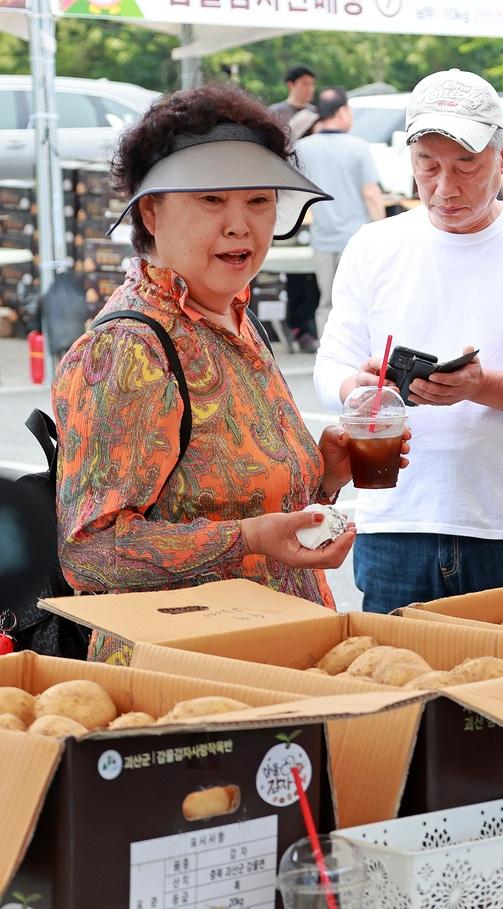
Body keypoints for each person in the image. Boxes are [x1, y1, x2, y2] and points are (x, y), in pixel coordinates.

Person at [51, 84, 408, 621]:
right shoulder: (129, 348)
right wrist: (250, 539)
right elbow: (91, 552)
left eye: (259, 200)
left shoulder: (239, 319)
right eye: (212, 199)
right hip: (187, 671)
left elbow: (249, 507)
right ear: (150, 213)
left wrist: (326, 478)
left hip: (288, 647)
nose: (240, 224)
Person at [313, 69, 503, 615]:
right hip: (395, 521)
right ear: (410, 162)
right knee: (396, 689)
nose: (446, 187)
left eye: (467, 165)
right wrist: (360, 386)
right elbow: (331, 365)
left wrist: (482, 386)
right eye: (429, 167)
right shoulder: (373, 247)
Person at [295, 86, 386, 323]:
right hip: (356, 240)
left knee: (326, 302)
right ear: (343, 111)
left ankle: (326, 355)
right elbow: (371, 194)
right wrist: (384, 234)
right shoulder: (358, 147)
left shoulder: (302, 148)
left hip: (322, 240)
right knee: (360, 302)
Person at [267, 64, 321, 352]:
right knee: (295, 268)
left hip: (313, 196)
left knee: (313, 268)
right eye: (303, 83)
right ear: (291, 84)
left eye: (312, 83)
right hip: (286, 196)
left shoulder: (318, 115)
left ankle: (305, 323)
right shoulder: (276, 114)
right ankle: (299, 325)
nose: (308, 88)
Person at [267, 64, 318, 141]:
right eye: (305, 83)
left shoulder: (316, 113)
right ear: (291, 85)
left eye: (312, 84)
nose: (310, 88)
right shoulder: (274, 112)